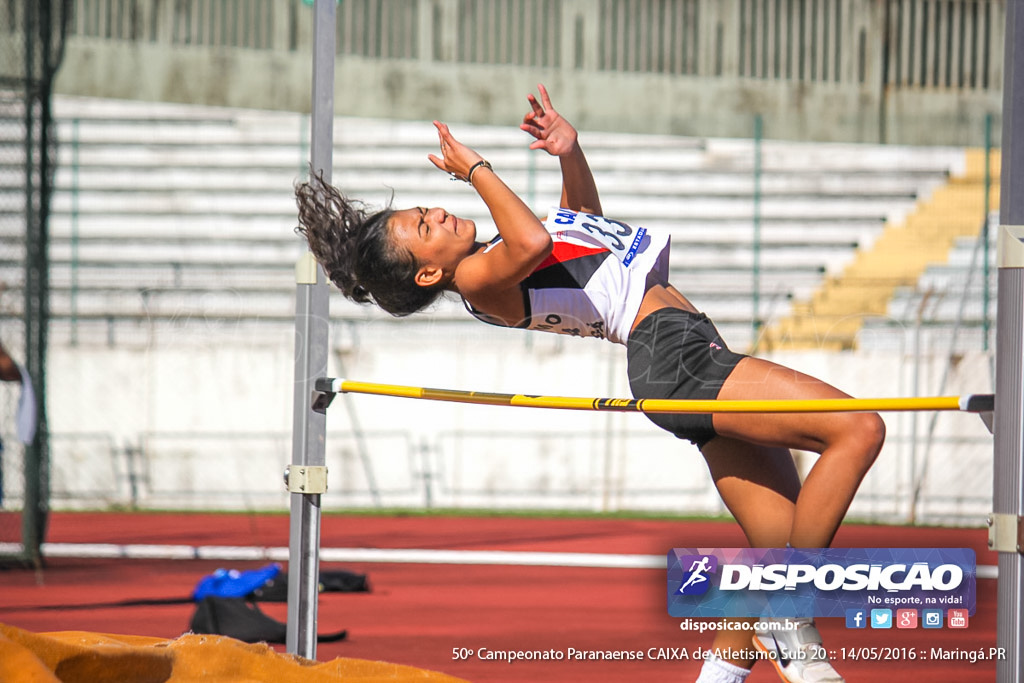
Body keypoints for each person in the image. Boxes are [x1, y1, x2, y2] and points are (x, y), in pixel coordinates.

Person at [295, 85, 885, 683]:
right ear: (428, 271)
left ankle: (726, 668)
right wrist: (475, 169)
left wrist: (568, 154)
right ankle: (790, 612)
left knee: (774, 548)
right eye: (425, 225)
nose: (439, 213)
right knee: (858, 429)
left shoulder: (499, 249)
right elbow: (537, 240)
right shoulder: (477, 276)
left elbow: (584, 227)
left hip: (684, 352)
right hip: (674, 356)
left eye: (427, 208)